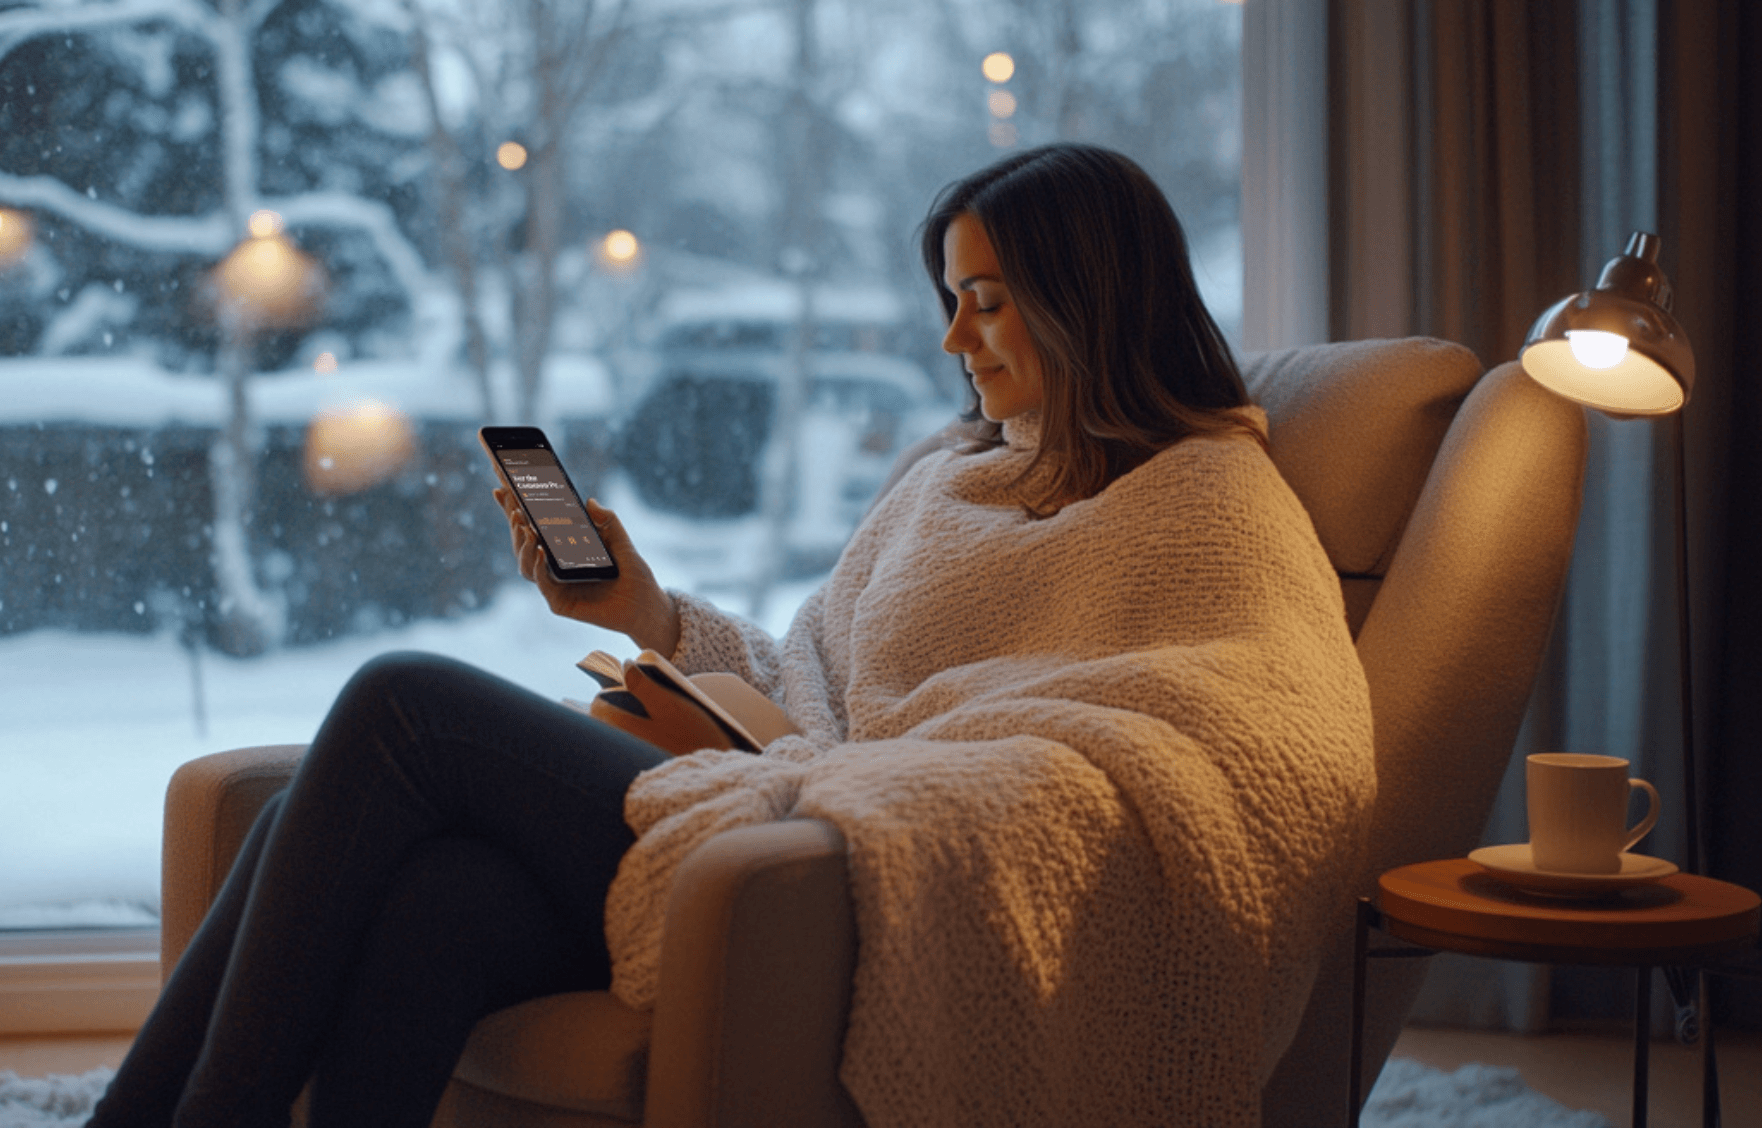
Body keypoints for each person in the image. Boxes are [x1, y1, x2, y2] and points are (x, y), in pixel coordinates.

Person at [87, 143, 1372, 1128]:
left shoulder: (1208, 496)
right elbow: (810, 678)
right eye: (949, 297)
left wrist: (831, 776)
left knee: (403, 702)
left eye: (985, 300)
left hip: (847, 854)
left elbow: (1265, 741)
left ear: (1089, 298)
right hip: (775, 796)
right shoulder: (950, 473)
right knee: (437, 899)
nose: (951, 338)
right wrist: (642, 617)